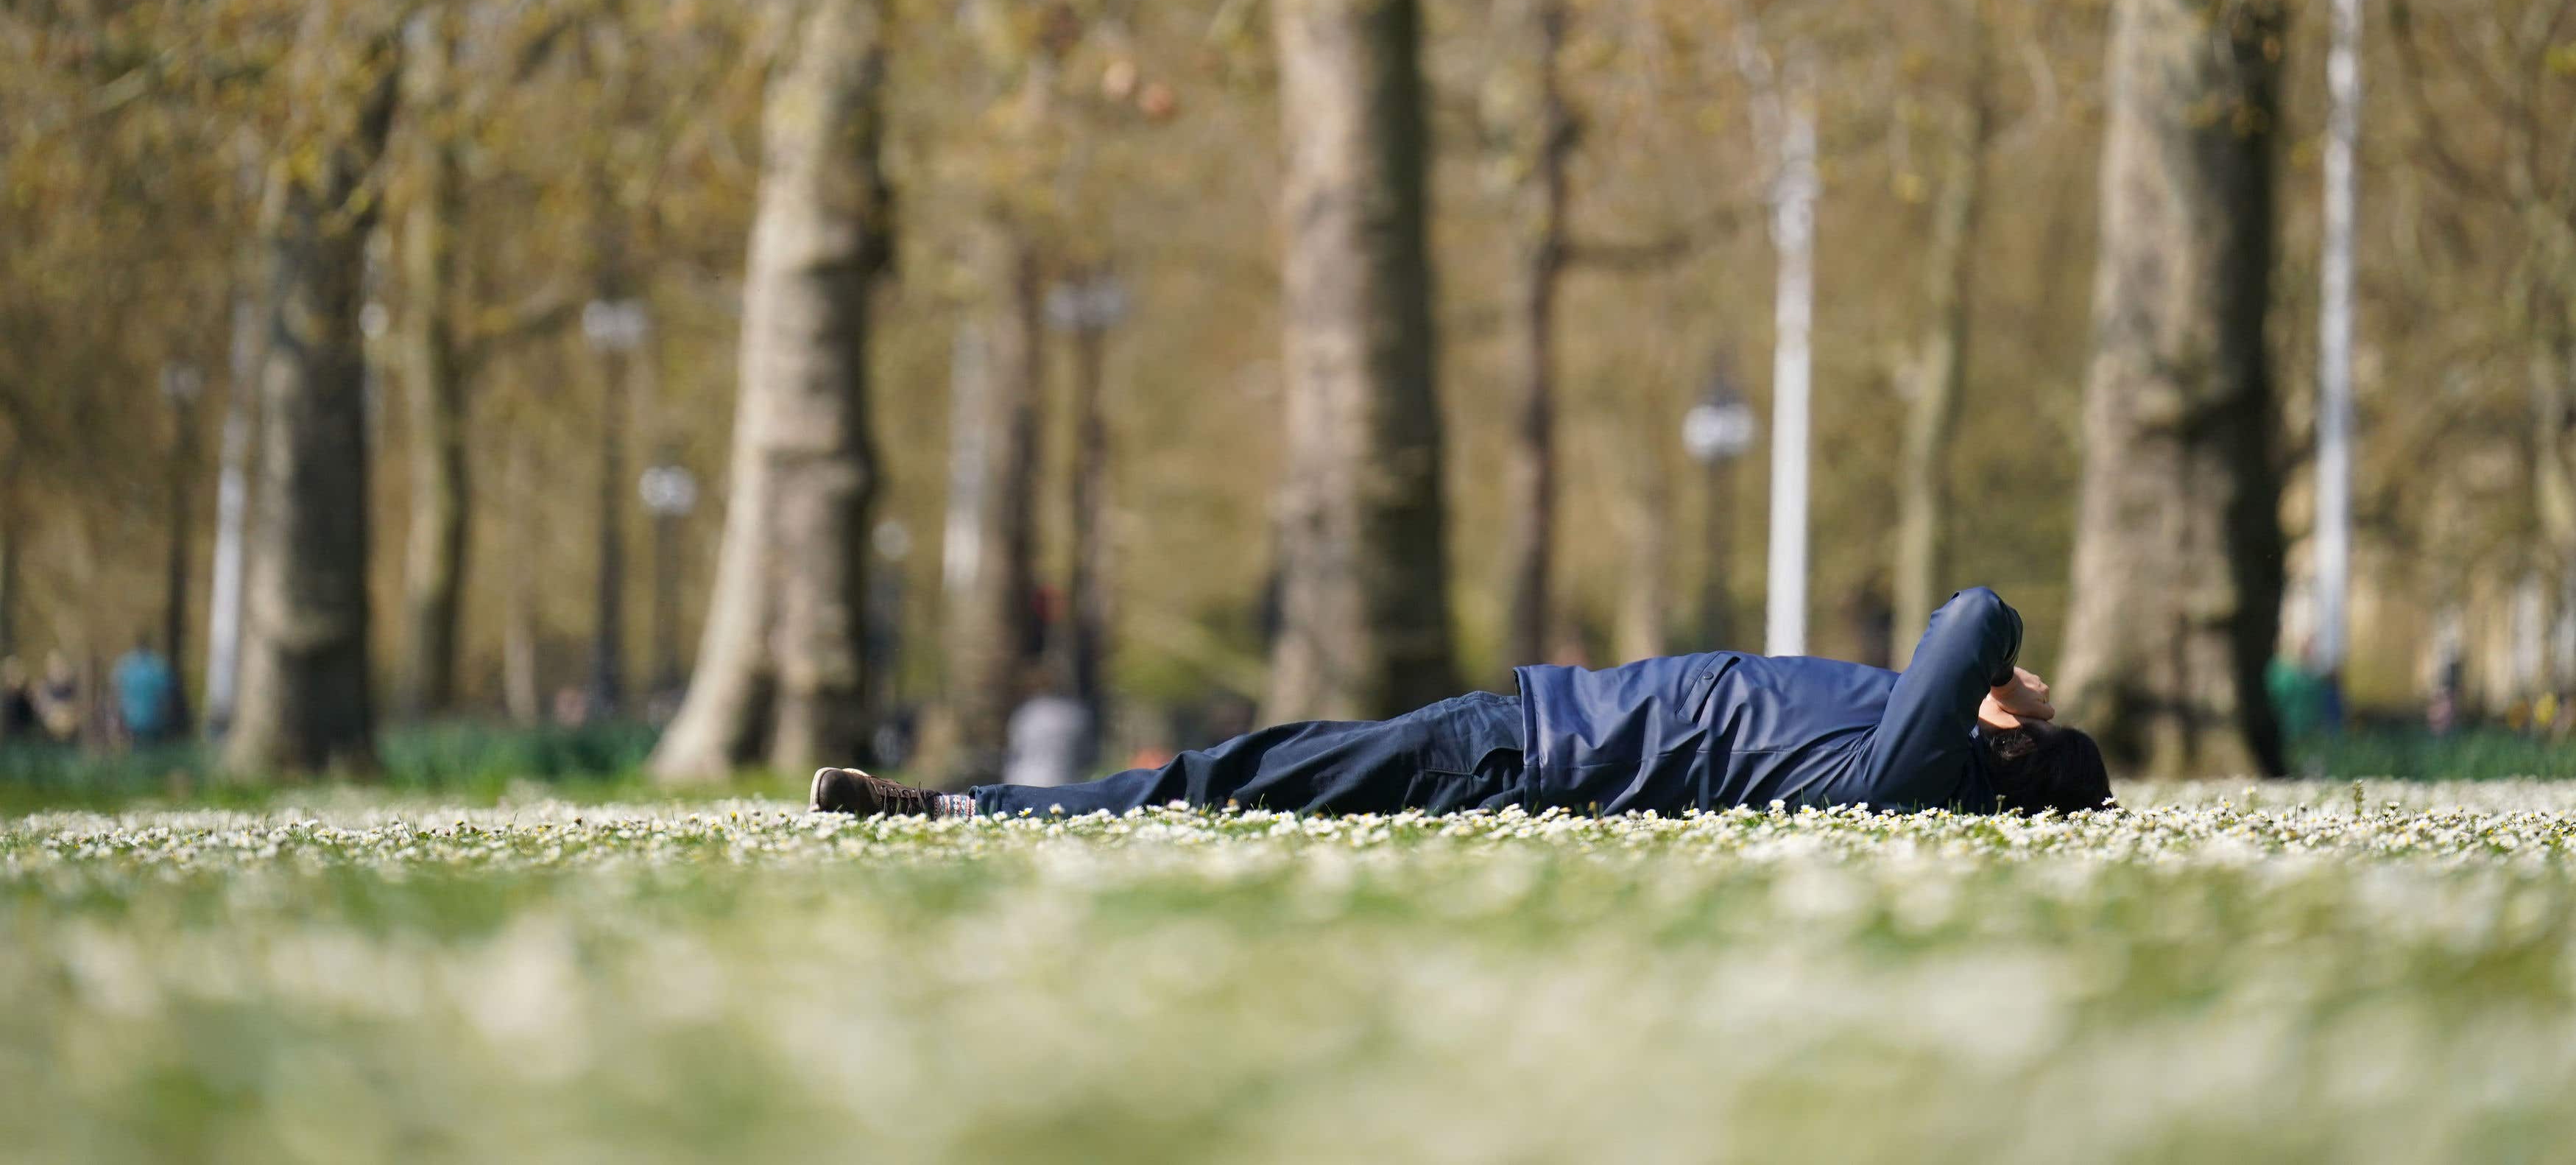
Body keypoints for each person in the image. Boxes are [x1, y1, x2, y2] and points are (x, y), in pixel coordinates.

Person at [811, 585, 2113, 821]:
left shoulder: (1909, 763)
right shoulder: (1900, 764)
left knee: (1220, 778)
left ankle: (951, 803)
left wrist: (2001, 679)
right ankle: (965, 801)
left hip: (1512, 757)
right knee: (1234, 776)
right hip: (1515, 746)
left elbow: (1971, 607)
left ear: (2013, 742)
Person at [110, 636, 177, 748]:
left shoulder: (125, 666)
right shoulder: (158, 666)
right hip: (154, 720)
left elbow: (116, 691)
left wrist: (118, 716)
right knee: (153, 752)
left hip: (131, 721)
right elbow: (167, 695)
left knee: (136, 751)